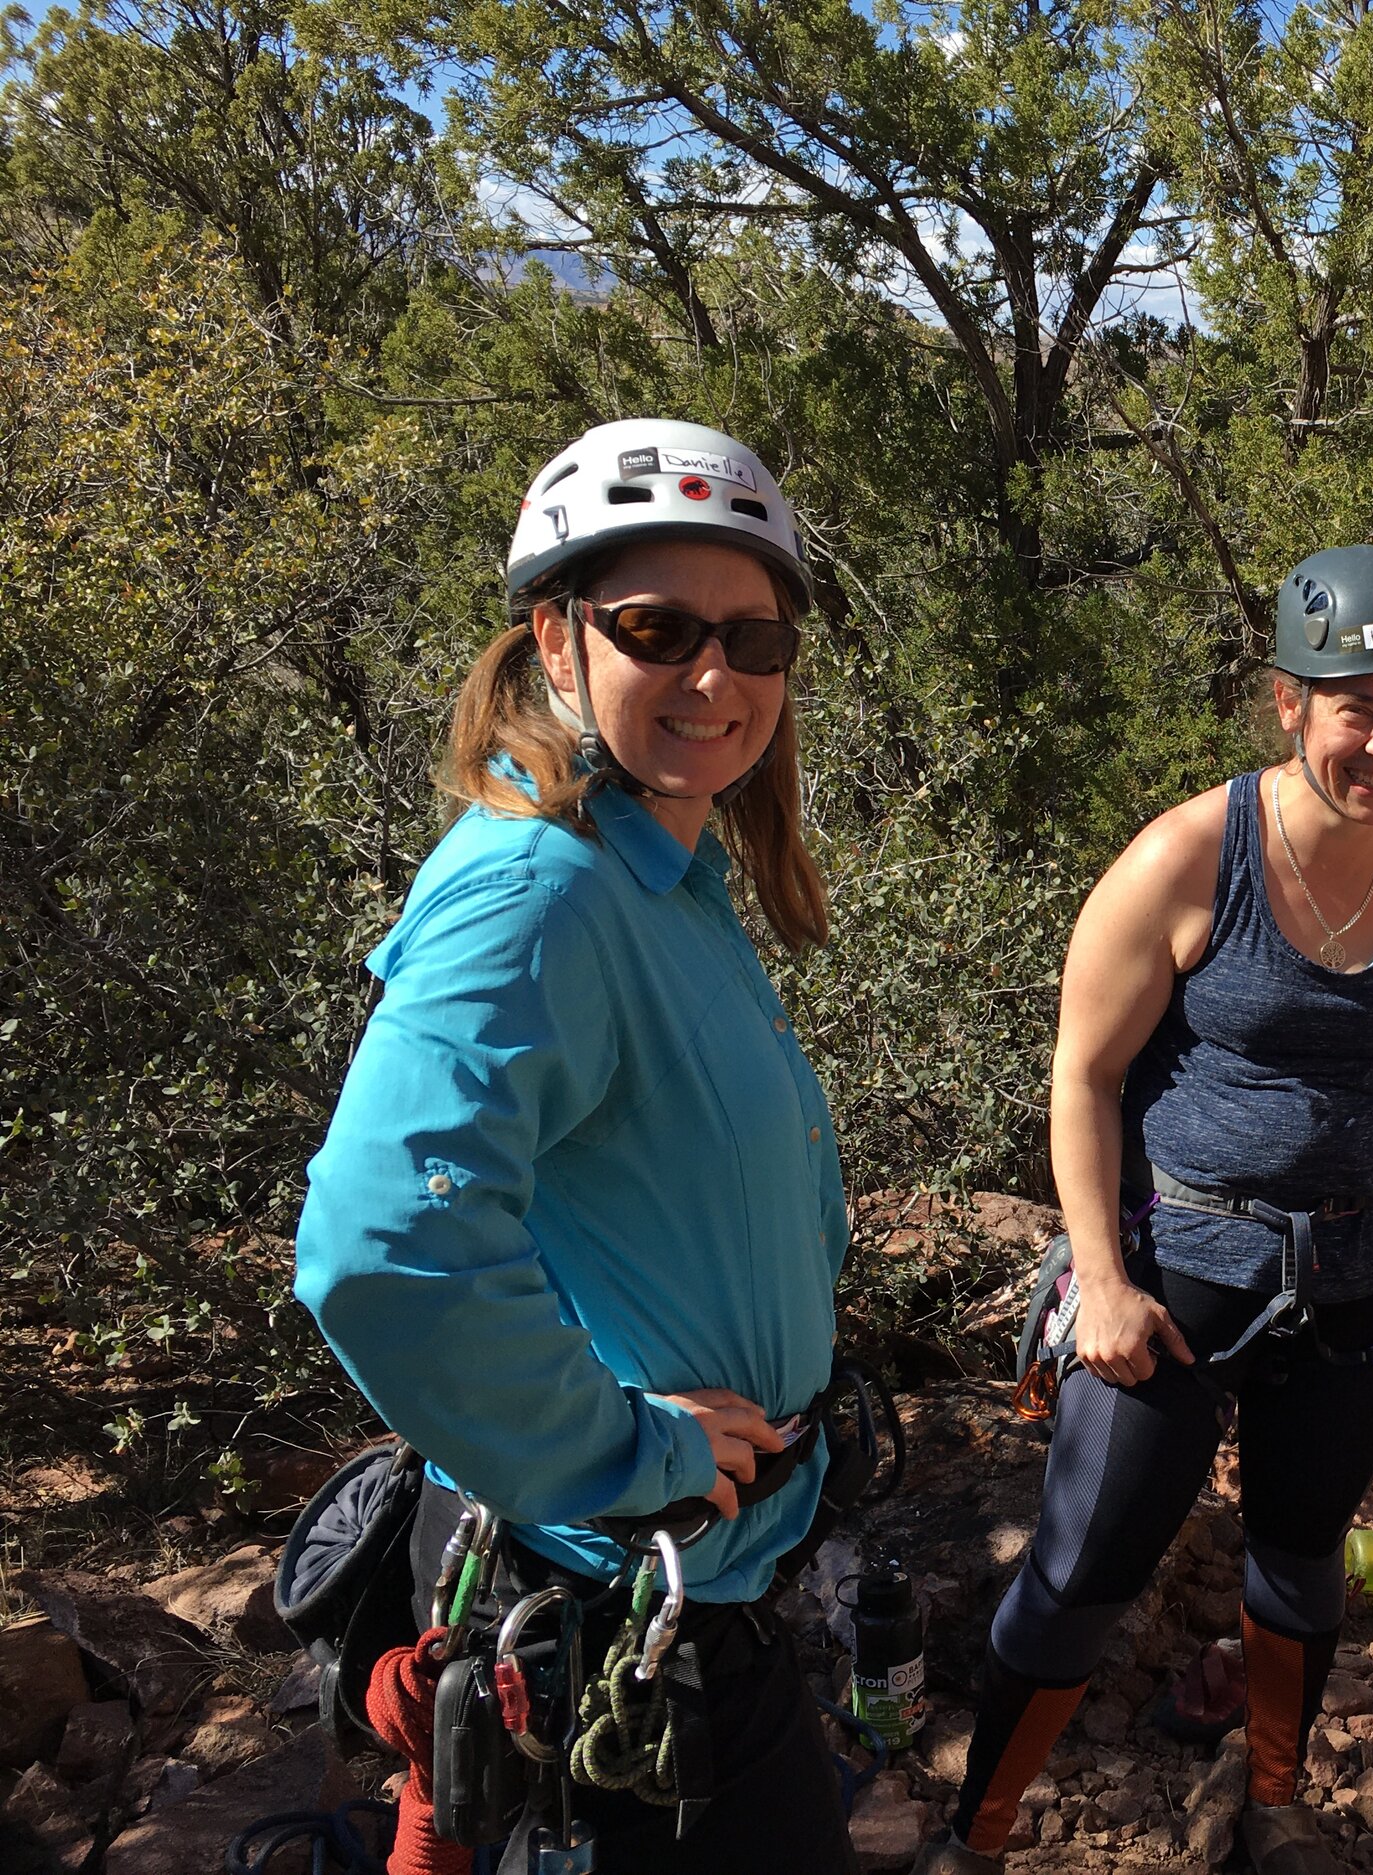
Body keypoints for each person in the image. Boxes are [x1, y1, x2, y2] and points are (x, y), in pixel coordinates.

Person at [295, 419, 861, 1874]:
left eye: (753, 638)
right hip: (605, 1602)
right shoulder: (539, 892)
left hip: (685, 1583)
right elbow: (382, 1246)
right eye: (657, 630)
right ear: (556, 639)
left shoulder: (656, 870)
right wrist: (626, 1449)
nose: (715, 677)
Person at [917, 547, 1373, 1875]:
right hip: (1178, 1278)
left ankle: (1275, 1805)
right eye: (1358, 710)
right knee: (1084, 1565)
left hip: (1358, 1282)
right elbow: (1084, 1073)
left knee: (1302, 1557)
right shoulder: (1189, 858)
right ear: (1288, 702)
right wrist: (1099, 1281)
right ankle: (976, 1834)